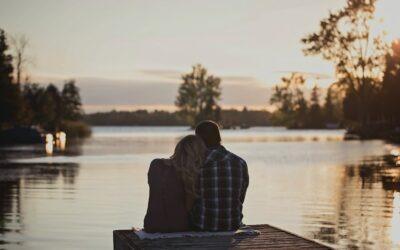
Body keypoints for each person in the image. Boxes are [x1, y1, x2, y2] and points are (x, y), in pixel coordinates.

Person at [190, 120, 249, 231]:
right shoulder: (240, 162)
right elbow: (240, 197)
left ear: (198, 139)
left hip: (201, 225)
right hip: (232, 224)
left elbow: (189, 198)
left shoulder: (195, 164)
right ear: (219, 137)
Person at [144, 135, 207, 233]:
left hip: (151, 225)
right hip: (178, 227)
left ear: (178, 148)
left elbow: (155, 190)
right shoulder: (191, 175)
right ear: (198, 154)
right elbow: (188, 208)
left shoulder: (155, 164)